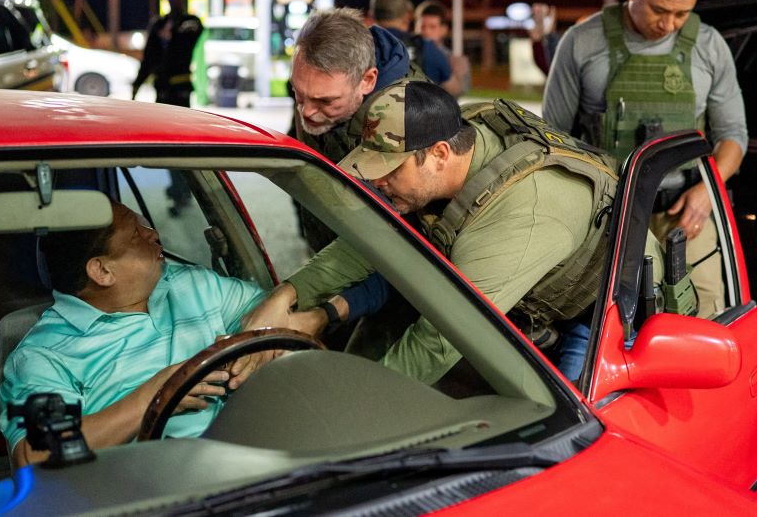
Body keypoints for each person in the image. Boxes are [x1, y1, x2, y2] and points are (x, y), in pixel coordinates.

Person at [244, 80, 618, 384]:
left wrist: (355, 402)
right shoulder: (454, 137)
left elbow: (439, 342)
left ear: (439, 155)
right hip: (519, 297)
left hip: (600, 315)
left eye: (390, 170)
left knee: (569, 434)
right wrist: (288, 294)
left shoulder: (518, 214)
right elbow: (371, 237)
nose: (380, 182)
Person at [0, 202, 309, 467]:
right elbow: (35, 456)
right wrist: (154, 395)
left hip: (271, 463)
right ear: (103, 271)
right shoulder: (44, 354)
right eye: (136, 236)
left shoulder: (192, 285)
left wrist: (253, 347)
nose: (154, 235)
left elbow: (279, 317)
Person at [542, 0, 747, 317]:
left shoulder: (708, 46)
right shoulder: (582, 42)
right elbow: (552, 137)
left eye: (682, 14)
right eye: (660, 10)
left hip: (684, 214)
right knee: (597, 326)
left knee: (705, 323)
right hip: (605, 213)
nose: (668, 25)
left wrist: (707, 190)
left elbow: (734, 136)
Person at [289, 7, 419, 251]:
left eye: (325, 101)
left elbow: (403, 243)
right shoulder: (320, 89)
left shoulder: (409, 120)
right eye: (297, 92)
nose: (306, 111)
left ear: (368, 80)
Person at [132, 0, 204, 214]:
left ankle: (184, 190)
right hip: (162, 93)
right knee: (168, 147)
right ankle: (178, 188)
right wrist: (137, 85)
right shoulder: (159, 24)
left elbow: (183, 44)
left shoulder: (190, 22)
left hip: (181, 92)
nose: (175, 0)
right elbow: (149, 58)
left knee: (183, 146)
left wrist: (169, 34)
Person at [370, 0, 467, 98]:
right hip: (421, 113)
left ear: (371, 14)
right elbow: (455, 89)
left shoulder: (358, 45)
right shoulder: (427, 47)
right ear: (406, 15)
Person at [414, 0, 471, 95]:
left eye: (432, 27)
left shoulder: (456, 61)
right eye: (422, 26)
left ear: (443, 30)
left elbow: (459, 92)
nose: (426, 32)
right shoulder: (405, 53)